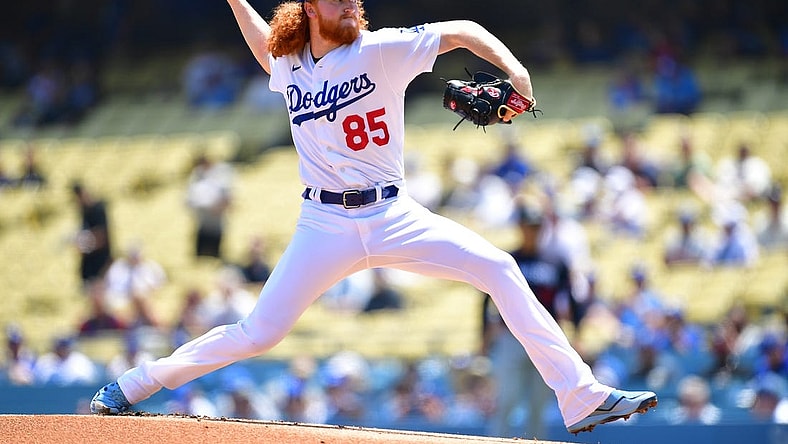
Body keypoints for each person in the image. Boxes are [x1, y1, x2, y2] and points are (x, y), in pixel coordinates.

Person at [90, 0, 657, 434]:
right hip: (323, 226)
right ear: (309, 7)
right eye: (334, 0)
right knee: (258, 332)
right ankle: (132, 386)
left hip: (393, 213)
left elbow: (463, 32)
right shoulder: (290, 66)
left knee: (500, 267)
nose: (348, 6)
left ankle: (580, 398)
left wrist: (517, 73)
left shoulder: (380, 49)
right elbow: (266, 49)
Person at [72, 182, 113, 286]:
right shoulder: (83, 212)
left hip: (101, 265)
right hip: (88, 268)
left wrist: (84, 244)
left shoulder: (98, 210)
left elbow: (101, 236)